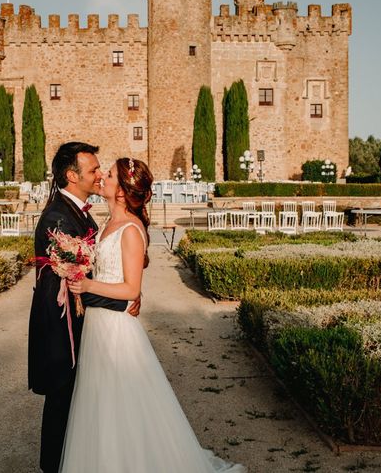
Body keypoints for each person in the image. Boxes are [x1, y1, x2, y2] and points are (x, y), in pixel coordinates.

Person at [61, 157, 245, 472]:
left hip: (117, 331)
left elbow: (132, 288)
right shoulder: (107, 224)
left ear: (121, 192)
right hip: (98, 326)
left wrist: (88, 283)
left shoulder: (131, 230)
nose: (103, 176)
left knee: (123, 401)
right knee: (102, 404)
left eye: (110, 175)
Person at [27, 142, 141, 473]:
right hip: (62, 328)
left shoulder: (77, 211)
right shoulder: (58, 219)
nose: (99, 173)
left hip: (82, 324)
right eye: (92, 169)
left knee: (77, 404)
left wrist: (126, 288)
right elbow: (70, 286)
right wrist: (121, 300)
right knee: (61, 401)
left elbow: (95, 272)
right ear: (71, 175)